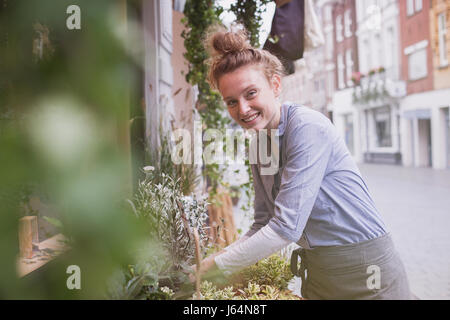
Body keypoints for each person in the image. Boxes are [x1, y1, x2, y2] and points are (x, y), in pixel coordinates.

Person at [191, 26, 411, 300]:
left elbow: (285, 227)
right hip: (319, 272)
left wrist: (219, 266)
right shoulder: (259, 144)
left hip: (367, 270)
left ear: (275, 85)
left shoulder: (307, 126)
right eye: (232, 101)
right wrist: (217, 258)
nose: (243, 110)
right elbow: (263, 222)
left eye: (251, 94)